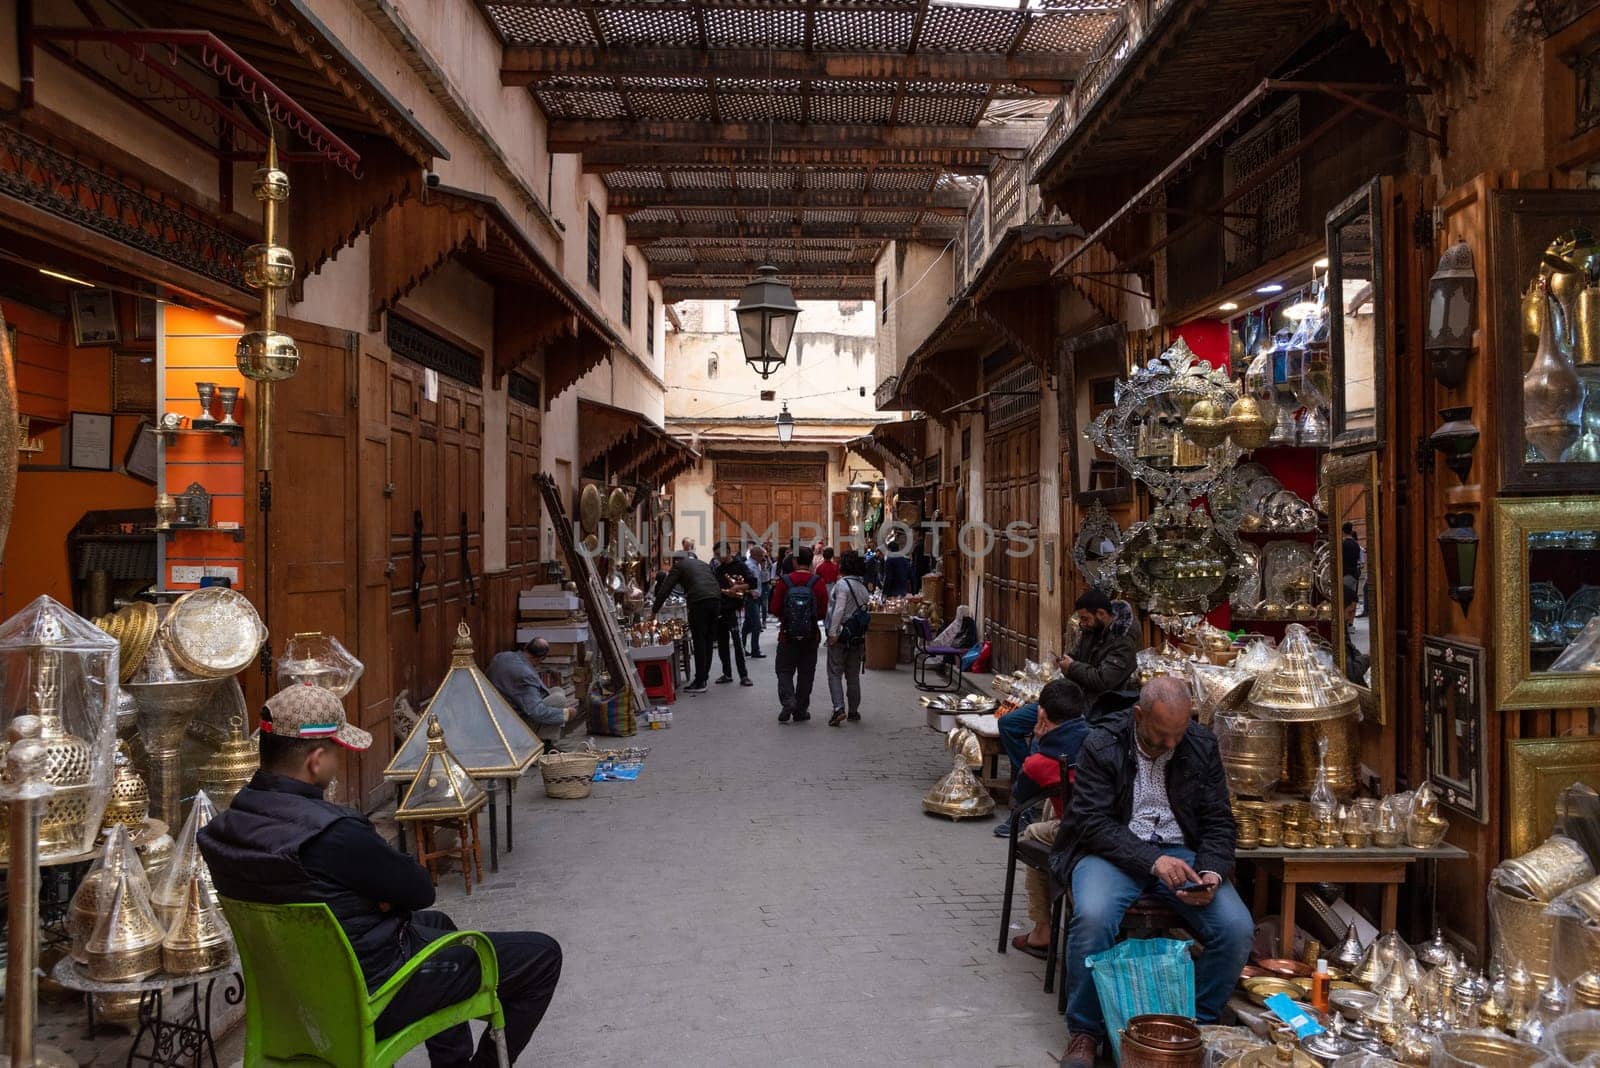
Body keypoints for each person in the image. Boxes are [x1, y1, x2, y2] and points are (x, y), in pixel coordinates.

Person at [198, 686, 562, 1068]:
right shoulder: (333, 833)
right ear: (316, 760)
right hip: (374, 993)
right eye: (337, 752)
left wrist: (366, 899)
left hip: (295, 994)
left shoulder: (224, 828)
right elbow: (420, 889)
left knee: (439, 925)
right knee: (541, 955)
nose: (339, 762)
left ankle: (452, 1060)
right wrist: (378, 898)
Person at [1054, 677, 1252, 1068]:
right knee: (1093, 917)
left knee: (1236, 928)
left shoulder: (1199, 744)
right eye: (1162, 735)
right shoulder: (1102, 743)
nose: (1171, 745)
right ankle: (1085, 1031)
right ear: (1139, 715)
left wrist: (1211, 870)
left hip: (1181, 853)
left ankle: (1195, 1025)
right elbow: (1091, 823)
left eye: (1178, 734)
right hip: (1111, 851)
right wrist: (1152, 861)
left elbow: (1219, 821)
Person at [1007, 678, 1090, 958]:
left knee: (1031, 835)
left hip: (1079, 829)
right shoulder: (1095, 740)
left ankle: (1042, 928)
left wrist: (1040, 745)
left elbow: (1021, 793)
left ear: (1042, 714)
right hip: (1100, 821)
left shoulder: (1041, 762)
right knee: (1049, 811)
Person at [1057, 590, 1140, 714]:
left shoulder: (1123, 639)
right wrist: (1065, 662)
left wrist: (1072, 667)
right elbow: (1076, 656)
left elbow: (1104, 680)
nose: (1083, 623)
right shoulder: (1092, 628)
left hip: (1103, 707)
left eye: (1085, 618)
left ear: (1101, 613)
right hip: (1079, 696)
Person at [770, 545, 828, 723]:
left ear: (794, 561)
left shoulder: (785, 581)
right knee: (806, 673)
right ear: (810, 561)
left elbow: (774, 608)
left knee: (784, 669)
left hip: (787, 635)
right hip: (811, 635)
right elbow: (823, 612)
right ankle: (801, 710)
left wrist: (788, 618)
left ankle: (788, 699)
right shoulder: (817, 582)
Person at [652, 546, 721, 693]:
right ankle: (704, 677)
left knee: (699, 640)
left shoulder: (679, 566)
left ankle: (700, 681)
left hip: (699, 601)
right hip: (715, 600)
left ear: (676, 560)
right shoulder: (702, 563)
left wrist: (654, 611)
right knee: (708, 640)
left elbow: (666, 588)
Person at [486, 636, 579, 739]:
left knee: (557, 690)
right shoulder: (526, 675)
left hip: (494, 712)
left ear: (526, 647)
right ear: (540, 659)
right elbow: (536, 712)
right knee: (559, 699)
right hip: (511, 723)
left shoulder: (501, 656)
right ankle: (547, 743)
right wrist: (565, 714)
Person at [825, 550, 871, 726]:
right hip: (857, 637)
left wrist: (832, 634)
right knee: (853, 675)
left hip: (842, 634)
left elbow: (839, 610)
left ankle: (838, 708)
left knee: (835, 672)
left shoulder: (842, 585)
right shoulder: (863, 587)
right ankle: (853, 710)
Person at [712, 542, 754, 687]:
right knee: (723, 643)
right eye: (715, 555)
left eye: (719, 554)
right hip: (721, 609)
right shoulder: (718, 570)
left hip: (736, 608)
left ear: (728, 552)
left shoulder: (740, 566)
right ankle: (727, 673)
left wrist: (737, 587)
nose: (717, 557)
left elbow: (752, 582)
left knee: (737, 643)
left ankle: (744, 675)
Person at [1341, 576, 1371, 685]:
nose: (1351, 618)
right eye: (1350, 612)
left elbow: (1352, 650)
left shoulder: (1342, 626)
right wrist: (1367, 658)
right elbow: (1351, 673)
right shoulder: (1336, 631)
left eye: (1354, 612)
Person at [743, 544, 767, 659]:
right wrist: (749, 591)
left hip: (756, 596)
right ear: (756, 555)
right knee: (756, 625)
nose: (764, 557)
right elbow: (744, 582)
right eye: (762, 555)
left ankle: (742, 648)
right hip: (751, 597)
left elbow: (762, 580)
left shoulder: (756, 565)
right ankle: (755, 650)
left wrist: (763, 566)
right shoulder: (749, 566)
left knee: (747, 624)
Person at [1342, 523, 1365, 617]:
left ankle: (1345, 622)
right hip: (1354, 573)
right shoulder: (1356, 544)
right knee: (1353, 599)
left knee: (1346, 600)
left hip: (1346, 573)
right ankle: (1350, 623)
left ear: (1343, 532)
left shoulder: (1343, 545)